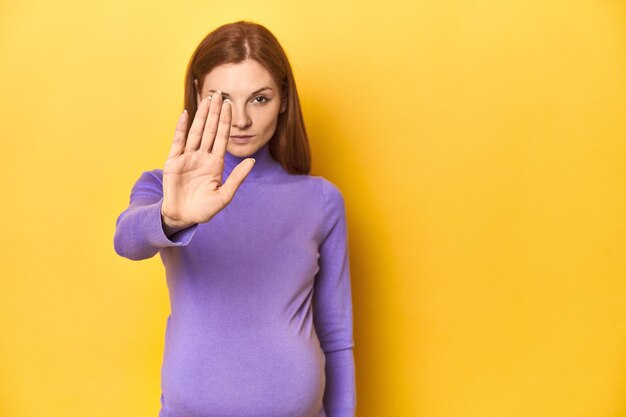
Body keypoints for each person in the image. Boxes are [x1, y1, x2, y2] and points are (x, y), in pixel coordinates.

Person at [113, 20, 356, 417]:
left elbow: (336, 335)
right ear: (196, 94)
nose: (241, 119)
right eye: (222, 98)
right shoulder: (165, 189)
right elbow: (126, 241)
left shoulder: (322, 200)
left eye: (259, 99)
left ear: (283, 100)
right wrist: (170, 216)